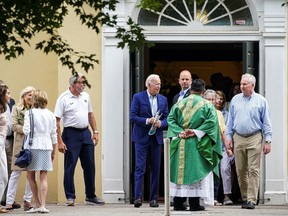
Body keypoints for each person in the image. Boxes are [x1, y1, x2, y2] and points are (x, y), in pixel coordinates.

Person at [167, 79, 222, 211]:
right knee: (195, 173)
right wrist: (195, 132)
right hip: (197, 144)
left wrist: (180, 132)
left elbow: (170, 119)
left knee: (180, 173)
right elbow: (212, 123)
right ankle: (194, 204)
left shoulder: (179, 103)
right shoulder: (207, 105)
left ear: (191, 89)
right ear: (203, 91)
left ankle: (178, 203)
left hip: (180, 142)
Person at [54, 73, 104, 206]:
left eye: (84, 82)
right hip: (71, 134)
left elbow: (90, 114)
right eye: (81, 82)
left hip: (85, 133)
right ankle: (70, 196)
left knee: (90, 165)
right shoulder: (63, 98)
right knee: (70, 166)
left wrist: (95, 131)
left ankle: (90, 195)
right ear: (73, 84)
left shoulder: (86, 96)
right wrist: (59, 141)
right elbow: (56, 121)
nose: (83, 85)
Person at [226, 73, 272, 210]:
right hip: (238, 137)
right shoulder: (235, 100)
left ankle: (252, 199)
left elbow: (266, 122)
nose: (241, 86)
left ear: (252, 85)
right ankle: (245, 197)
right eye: (241, 84)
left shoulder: (261, 101)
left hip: (255, 137)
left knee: (253, 170)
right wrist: (228, 138)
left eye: (244, 84)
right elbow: (230, 121)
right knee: (240, 170)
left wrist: (268, 140)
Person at [130, 74, 168, 208]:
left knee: (156, 169)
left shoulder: (163, 99)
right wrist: (147, 121)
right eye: (156, 84)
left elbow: (168, 119)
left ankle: (153, 199)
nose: (158, 86)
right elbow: (133, 117)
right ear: (148, 85)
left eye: (159, 84)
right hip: (141, 138)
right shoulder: (138, 97)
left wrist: (161, 124)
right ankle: (138, 197)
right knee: (140, 168)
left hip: (156, 138)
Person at [23, 90, 57, 213]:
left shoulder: (29, 113)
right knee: (44, 176)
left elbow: (26, 131)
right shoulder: (51, 114)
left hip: (33, 146)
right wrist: (53, 149)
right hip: (47, 145)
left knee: (30, 176)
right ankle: (43, 205)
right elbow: (54, 134)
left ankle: (37, 203)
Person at [5, 86, 34, 211]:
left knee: (31, 174)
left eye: (33, 95)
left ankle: (28, 200)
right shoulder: (16, 109)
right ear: (23, 96)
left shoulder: (37, 110)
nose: (31, 98)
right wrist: (27, 129)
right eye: (29, 95)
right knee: (15, 173)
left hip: (33, 144)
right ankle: (9, 201)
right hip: (20, 144)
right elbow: (14, 126)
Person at [203, 90, 233, 206]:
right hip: (203, 147)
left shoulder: (219, 114)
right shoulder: (200, 112)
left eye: (212, 100)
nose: (211, 102)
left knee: (216, 173)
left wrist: (228, 148)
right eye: (208, 99)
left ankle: (214, 198)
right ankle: (202, 197)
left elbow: (223, 132)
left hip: (216, 147)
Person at [0, 81, 19, 209]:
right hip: (2, 138)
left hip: (9, 139)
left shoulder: (10, 102)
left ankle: (7, 199)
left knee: (9, 170)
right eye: (8, 93)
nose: (10, 96)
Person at [215, 90, 234, 205]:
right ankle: (213, 197)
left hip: (225, 147)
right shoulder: (209, 111)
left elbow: (227, 130)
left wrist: (228, 147)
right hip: (212, 147)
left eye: (222, 99)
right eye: (217, 98)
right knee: (213, 172)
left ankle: (227, 196)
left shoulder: (227, 114)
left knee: (225, 169)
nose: (219, 100)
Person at [0, 85, 9, 213]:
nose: (10, 96)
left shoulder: (3, 112)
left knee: (4, 177)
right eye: (8, 93)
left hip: (1, 144)